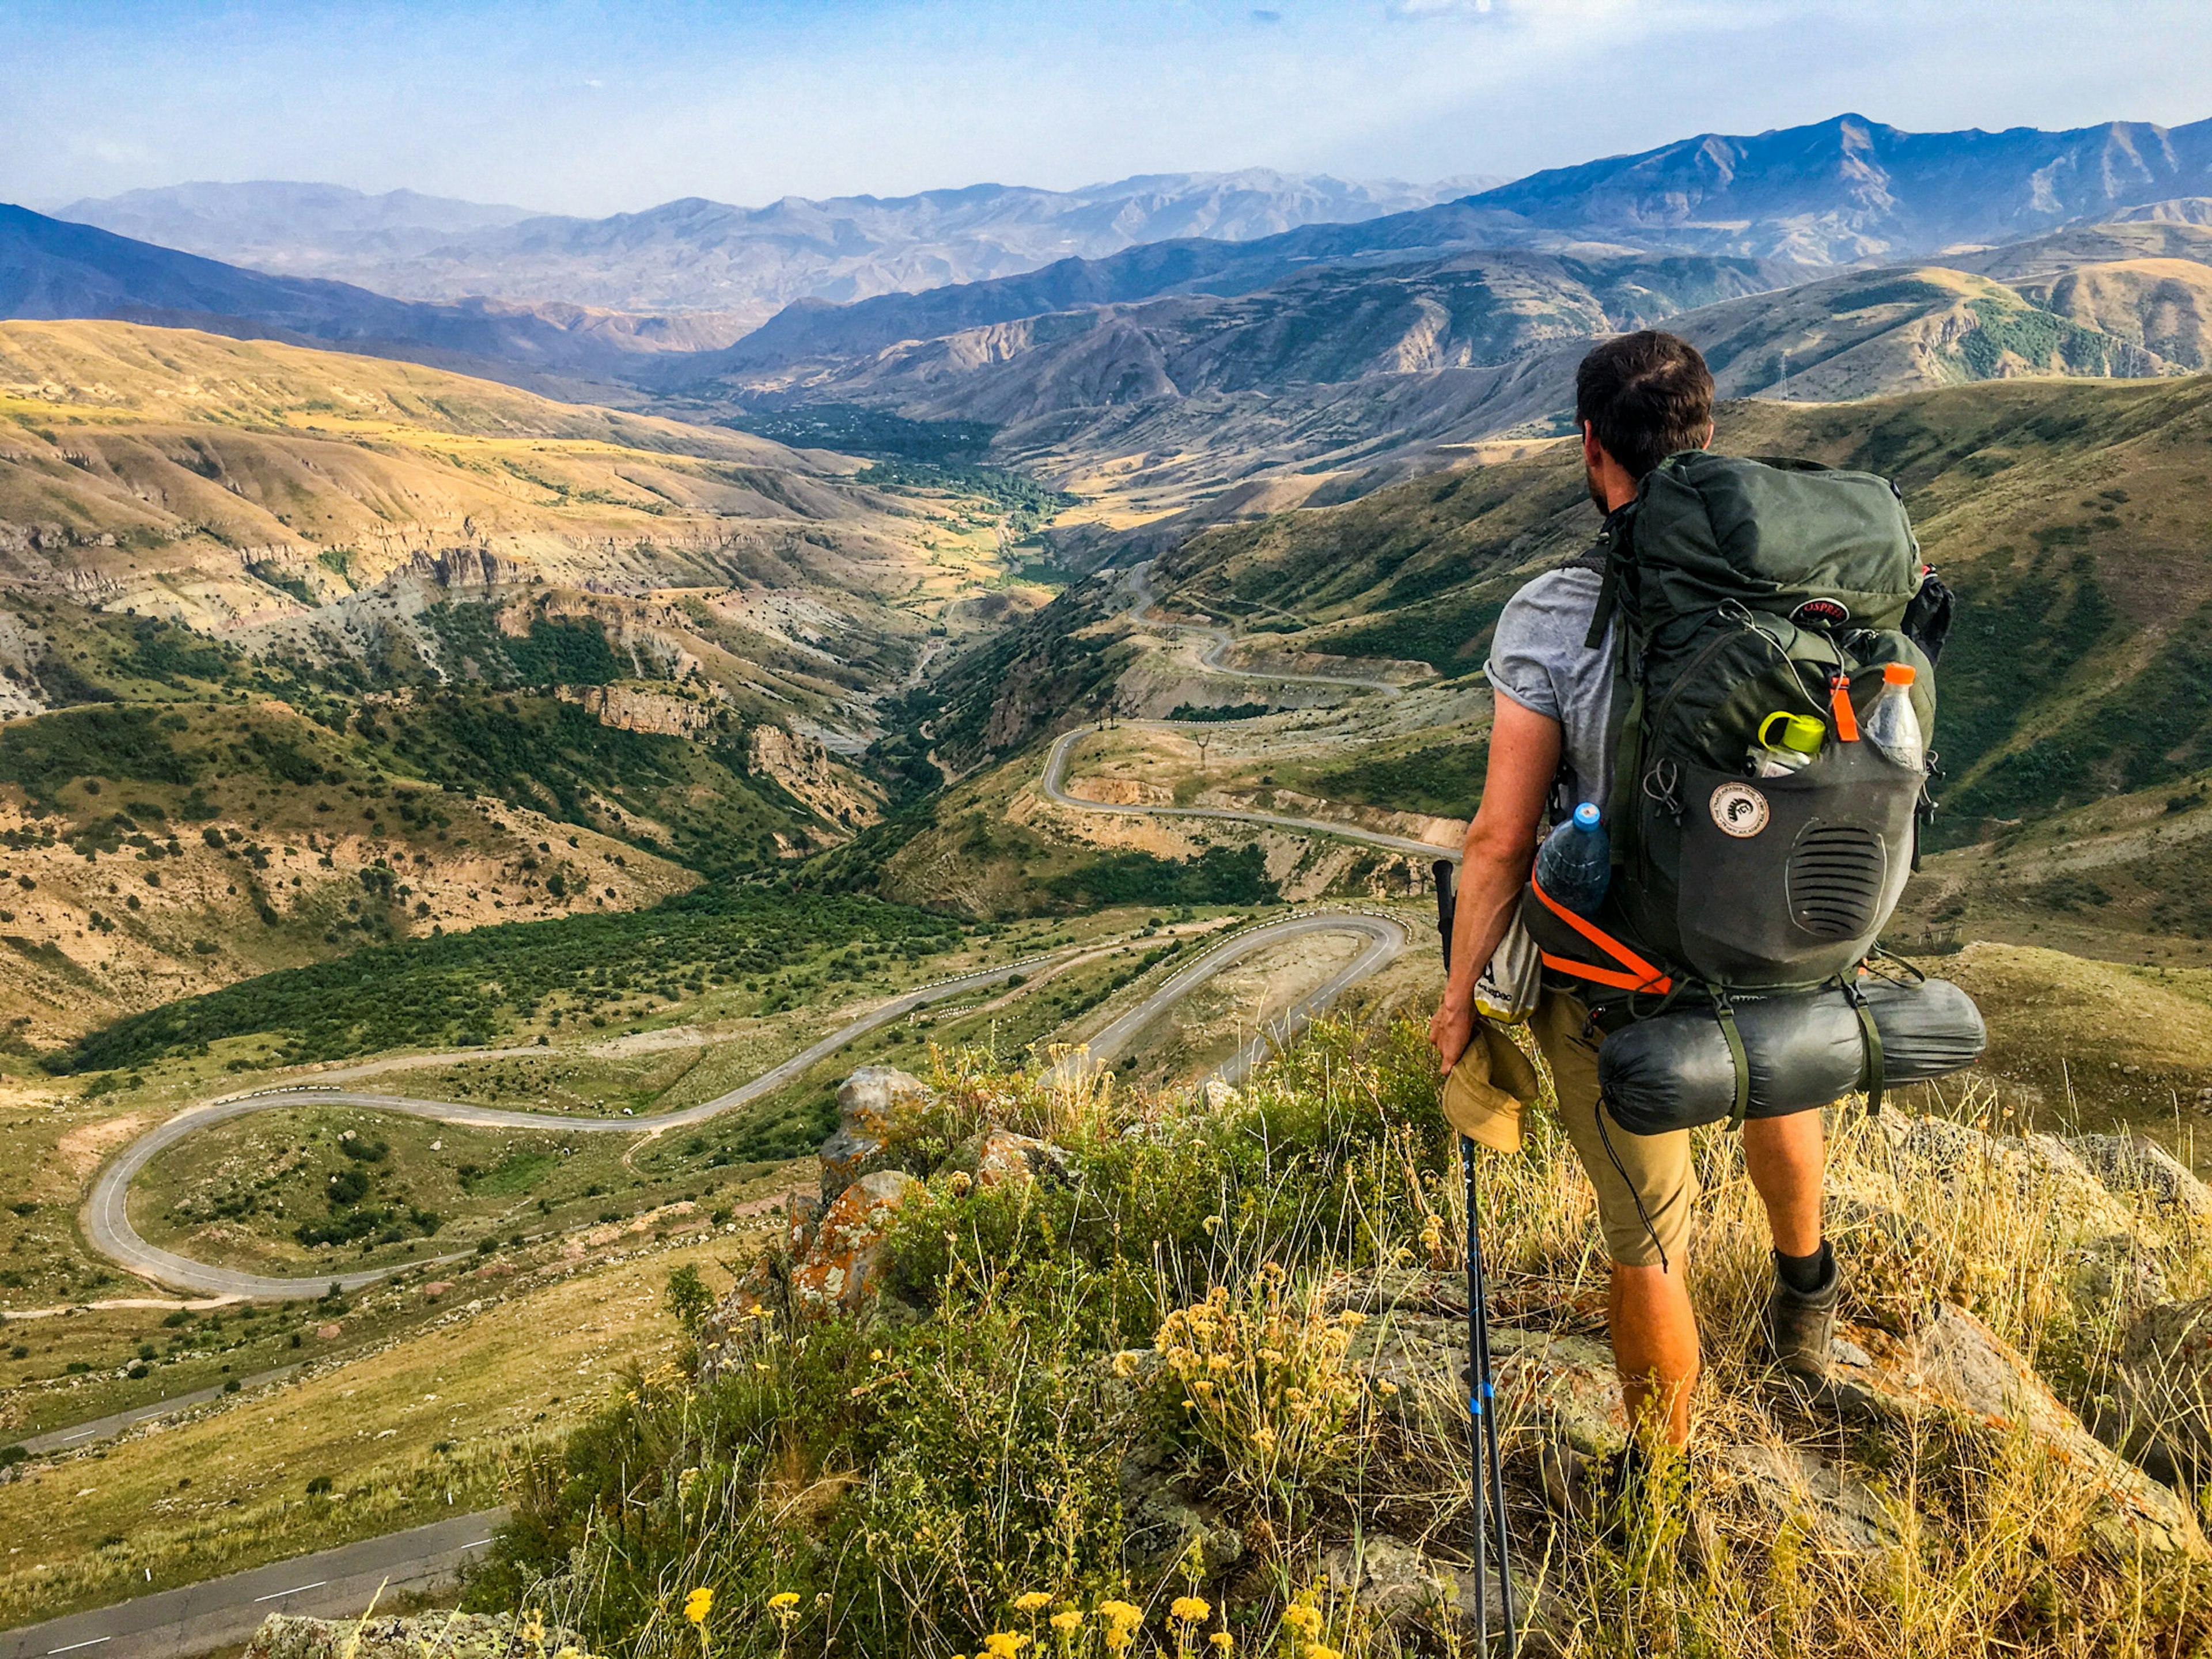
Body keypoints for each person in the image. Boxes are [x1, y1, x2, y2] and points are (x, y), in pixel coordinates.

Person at [1427, 330, 1839, 1458]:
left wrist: (1462, 998)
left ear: (1590, 451)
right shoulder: (1800, 585)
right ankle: (1806, 1297)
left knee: (1649, 1240)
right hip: (1770, 936)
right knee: (1777, 1095)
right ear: (1706, 438)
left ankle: (1657, 1492)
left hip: (1626, 977)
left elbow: (1503, 839)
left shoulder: (1556, 614)